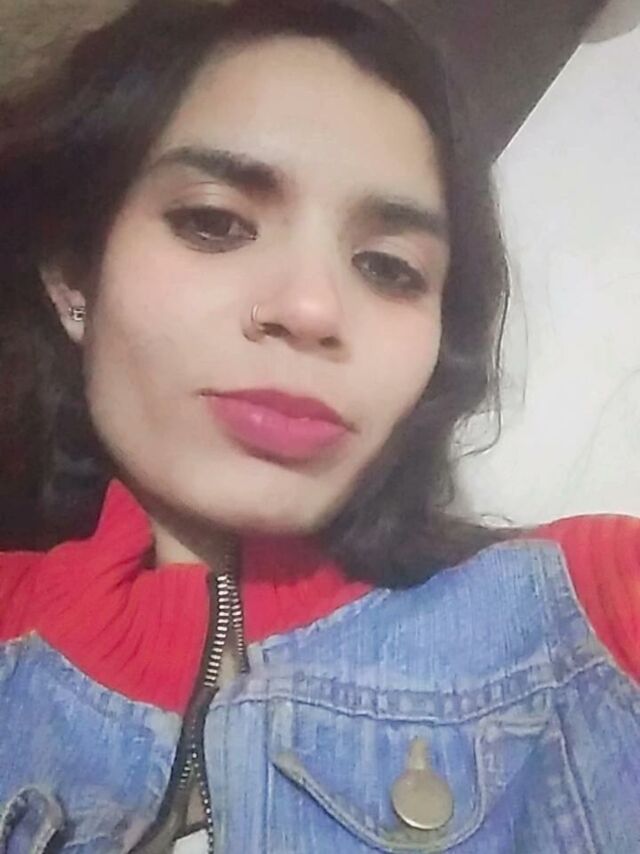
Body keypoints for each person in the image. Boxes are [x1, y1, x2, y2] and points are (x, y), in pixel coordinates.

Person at [0, 0, 638, 851]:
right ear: (75, 274)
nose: (311, 308)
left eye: (389, 268)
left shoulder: (590, 616)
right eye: (215, 222)